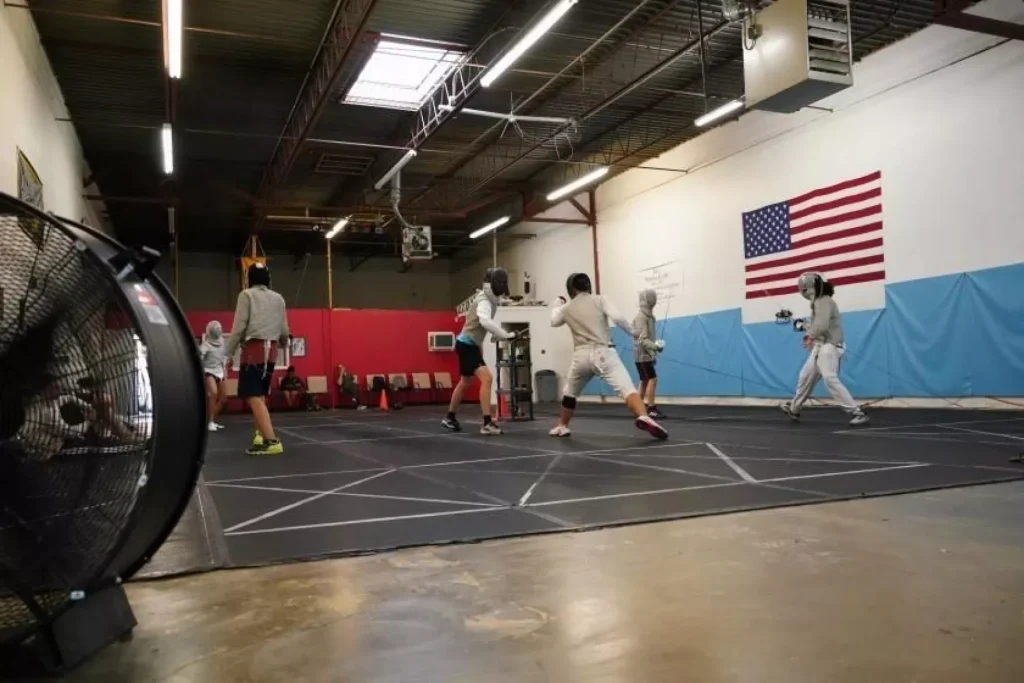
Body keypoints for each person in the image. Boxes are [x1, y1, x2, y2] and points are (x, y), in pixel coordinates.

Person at [548, 273, 668, 440]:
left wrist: (557, 305)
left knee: (570, 392)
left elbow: (554, 321)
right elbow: (617, 318)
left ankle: (562, 426)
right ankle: (643, 415)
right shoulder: (600, 299)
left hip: (581, 357)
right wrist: (632, 332)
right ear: (588, 286)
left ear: (571, 289)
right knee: (627, 389)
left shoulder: (566, 308)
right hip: (603, 353)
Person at [781, 272, 869, 426]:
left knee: (829, 378)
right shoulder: (819, 303)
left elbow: (820, 325)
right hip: (820, 346)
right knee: (805, 376)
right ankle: (794, 409)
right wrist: (799, 323)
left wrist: (809, 335)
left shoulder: (823, 300)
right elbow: (817, 324)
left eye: (807, 285)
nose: (804, 288)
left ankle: (857, 412)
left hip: (831, 345)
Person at [224, 262, 290, 455]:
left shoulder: (246, 295)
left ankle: (271, 440)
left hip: (255, 350)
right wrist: (284, 343)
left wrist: (228, 353)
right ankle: (260, 436)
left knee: (252, 395)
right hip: (272, 351)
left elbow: (239, 328)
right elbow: (284, 329)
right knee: (259, 393)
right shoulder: (279, 298)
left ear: (249, 278)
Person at [442, 267, 515, 435]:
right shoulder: (484, 300)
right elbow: (485, 321)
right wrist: (504, 335)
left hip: (468, 344)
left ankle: (449, 418)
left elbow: (487, 322)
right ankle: (487, 423)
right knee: (487, 378)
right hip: (467, 345)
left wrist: (498, 336)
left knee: (465, 382)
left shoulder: (491, 299)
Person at [633, 288, 666, 419]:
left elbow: (648, 338)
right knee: (652, 379)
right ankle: (651, 408)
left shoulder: (649, 317)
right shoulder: (641, 317)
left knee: (645, 380)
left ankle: (637, 407)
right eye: (651, 297)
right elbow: (642, 340)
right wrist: (655, 347)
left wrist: (655, 349)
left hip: (645, 355)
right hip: (641, 356)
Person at [199, 320, 228, 431]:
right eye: (216, 329)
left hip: (220, 371)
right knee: (214, 393)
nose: (218, 330)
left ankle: (210, 420)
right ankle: (210, 422)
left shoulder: (222, 342)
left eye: (219, 328)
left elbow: (223, 357)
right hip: (209, 371)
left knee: (223, 399)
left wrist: (225, 370)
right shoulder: (205, 345)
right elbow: (199, 358)